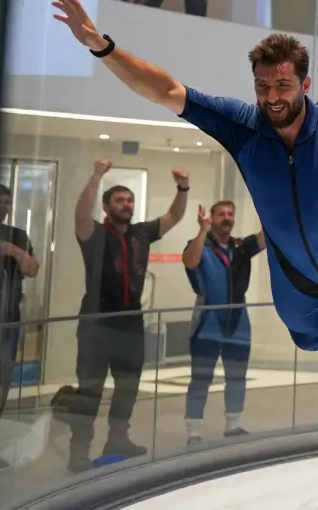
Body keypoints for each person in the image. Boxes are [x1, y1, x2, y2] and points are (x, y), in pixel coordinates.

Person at [51, 0, 318, 404]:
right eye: (263, 85)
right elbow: (165, 90)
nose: (272, 98)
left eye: (283, 85)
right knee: (307, 339)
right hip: (290, 264)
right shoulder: (242, 126)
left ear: (306, 84)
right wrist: (102, 48)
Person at [66, 161, 188, 472]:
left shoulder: (141, 233)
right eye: (119, 200)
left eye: (130, 200)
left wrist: (182, 188)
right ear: (106, 207)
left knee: (128, 387)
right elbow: (80, 215)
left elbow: (174, 217)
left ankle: (117, 439)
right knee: (90, 389)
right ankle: (79, 451)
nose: (127, 204)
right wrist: (96, 176)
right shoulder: (93, 233)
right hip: (97, 321)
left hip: (131, 322)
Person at [182, 200, 263, 445]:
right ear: (211, 218)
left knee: (237, 377)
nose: (226, 218)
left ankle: (233, 426)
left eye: (230, 214)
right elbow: (190, 262)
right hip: (207, 324)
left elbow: (268, 236)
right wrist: (202, 230)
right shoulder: (200, 245)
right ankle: (193, 432)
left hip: (238, 323)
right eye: (220, 215)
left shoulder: (241, 247)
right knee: (201, 378)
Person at [0, 185, 39, 471]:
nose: (4, 206)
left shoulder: (16, 235)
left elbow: (32, 268)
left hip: (7, 324)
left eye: (8, 201)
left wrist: (14, 251)